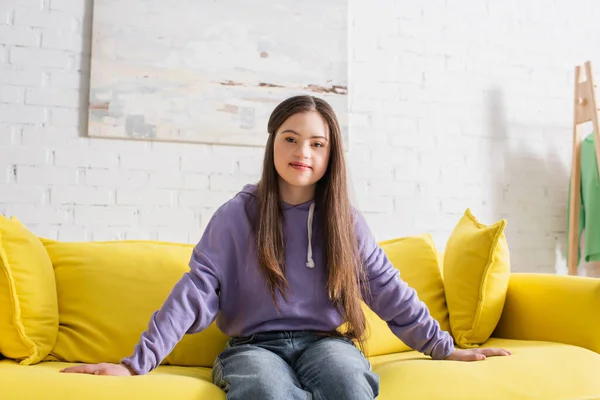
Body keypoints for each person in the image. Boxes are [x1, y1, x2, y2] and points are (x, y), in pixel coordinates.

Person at [61, 95, 510, 399]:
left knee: (349, 382)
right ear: (272, 142)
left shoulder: (345, 223)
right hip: (253, 346)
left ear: (331, 154)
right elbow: (193, 292)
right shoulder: (235, 216)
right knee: (265, 392)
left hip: (326, 342)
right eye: (291, 139)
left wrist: (443, 347)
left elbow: (389, 290)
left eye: (318, 143)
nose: (303, 152)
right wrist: (135, 364)